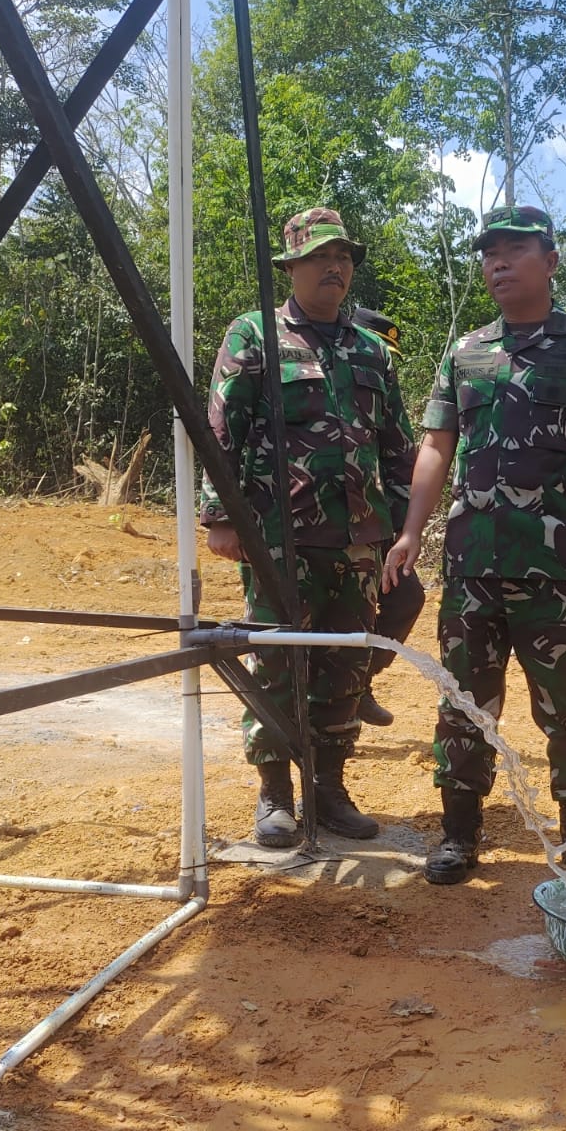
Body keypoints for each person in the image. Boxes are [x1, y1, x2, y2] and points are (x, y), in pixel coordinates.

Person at [383, 205, 566, 886]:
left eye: (512, 250)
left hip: (557, 567)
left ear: (551, 261)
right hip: (474, 564)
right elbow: (436, 448)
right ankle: (458, 835)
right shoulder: (465, 352)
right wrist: (411, 532)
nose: (496, 263)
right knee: (463, 703)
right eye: (488, 253)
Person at [200, 208, 416, 847]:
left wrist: (403, 530)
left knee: (344, 667)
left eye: (344, 257)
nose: (335, 268)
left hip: (357, 539)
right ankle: (275, 795)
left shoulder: (373, 350)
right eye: (321, 257)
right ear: (290, 268)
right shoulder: (253, 336)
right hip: (277, 537)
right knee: (276, 661)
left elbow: (396, 445)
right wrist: (219, 516)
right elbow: (221, 431)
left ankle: (329, 787)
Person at [349, 307, 426, 728]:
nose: (385, 355)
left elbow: (399, 457)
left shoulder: (382, 384)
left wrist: (401, 530)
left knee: (406, 597)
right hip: (314, 525)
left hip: (375, 524)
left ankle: (359, 683)